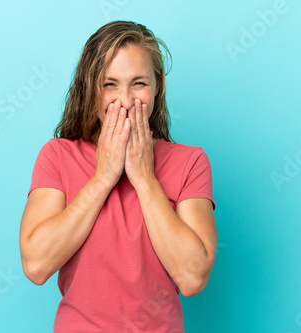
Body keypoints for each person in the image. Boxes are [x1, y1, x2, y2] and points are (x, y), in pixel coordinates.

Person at [19, 20, 217, 332]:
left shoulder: (190, 162)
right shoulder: (57, 156)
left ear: (157, 87)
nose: (125, 101)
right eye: (109, 84)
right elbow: (36, 265)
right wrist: (103, 177)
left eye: (139, 83)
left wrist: (145, 179)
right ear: (90, 89)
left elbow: (193, 278)